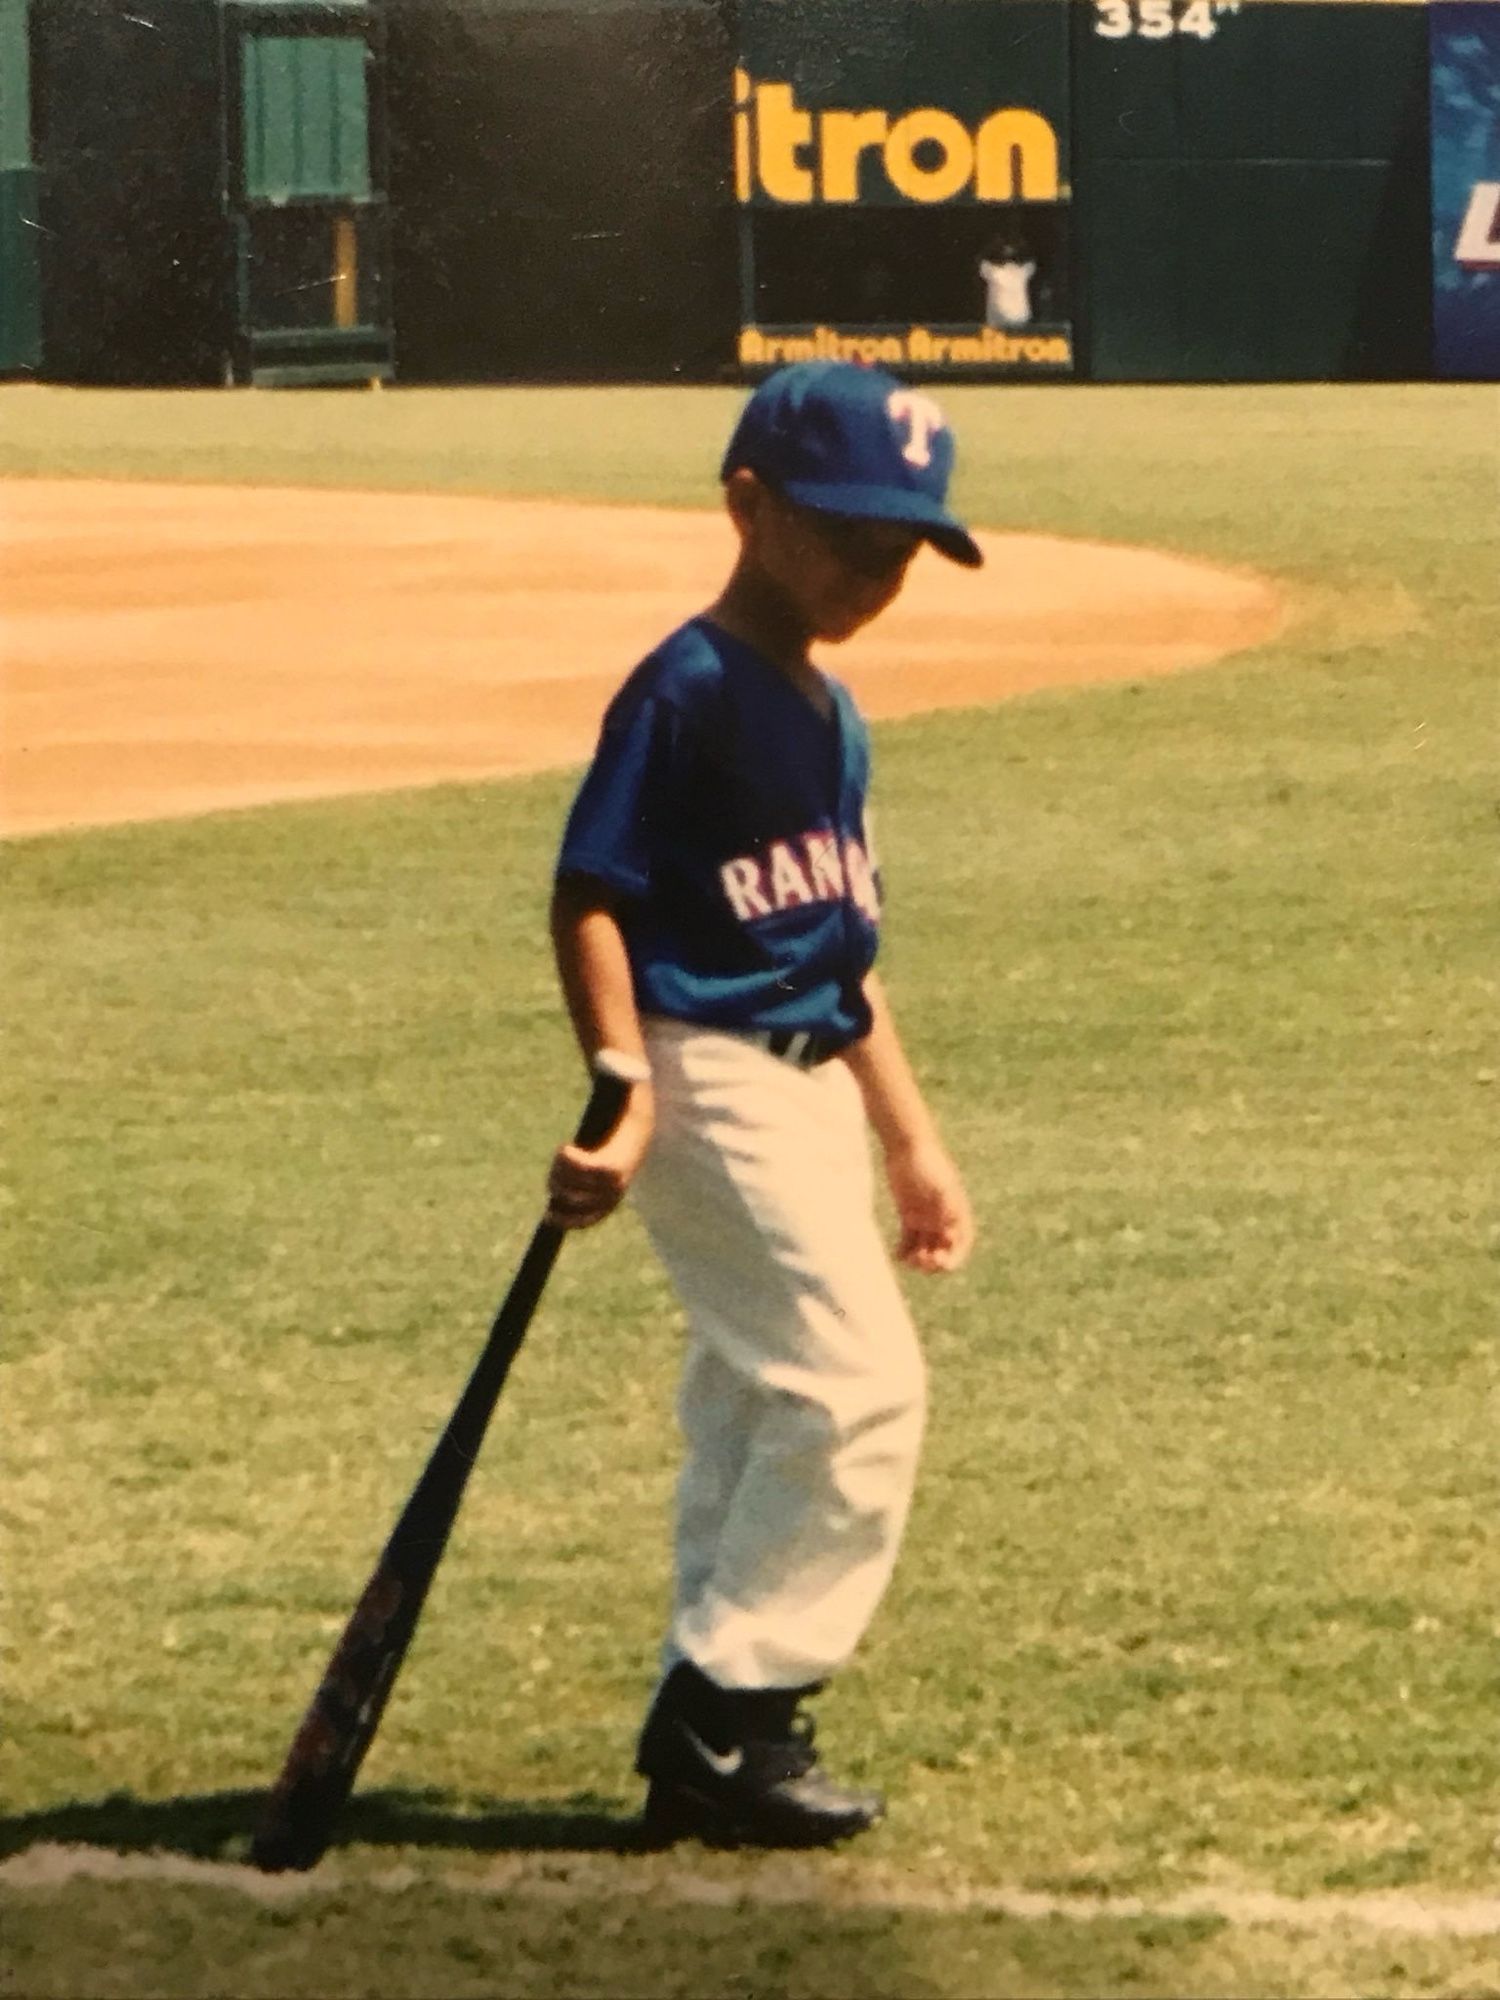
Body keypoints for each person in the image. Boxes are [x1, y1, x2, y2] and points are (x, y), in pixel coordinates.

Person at [545, 360, 979, 1848]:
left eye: (902, 548)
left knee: (756, 1392)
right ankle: (732, 1707)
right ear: (747, 502)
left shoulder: (833, 715)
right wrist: (623, 1083)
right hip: (704, 1069)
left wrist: (908, 1135)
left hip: (801, 1082)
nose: (877, 570)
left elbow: (842, 955)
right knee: (858, 1388)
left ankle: (713, 1710)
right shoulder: (688, 687)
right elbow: (590, 894)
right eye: (850, 534)